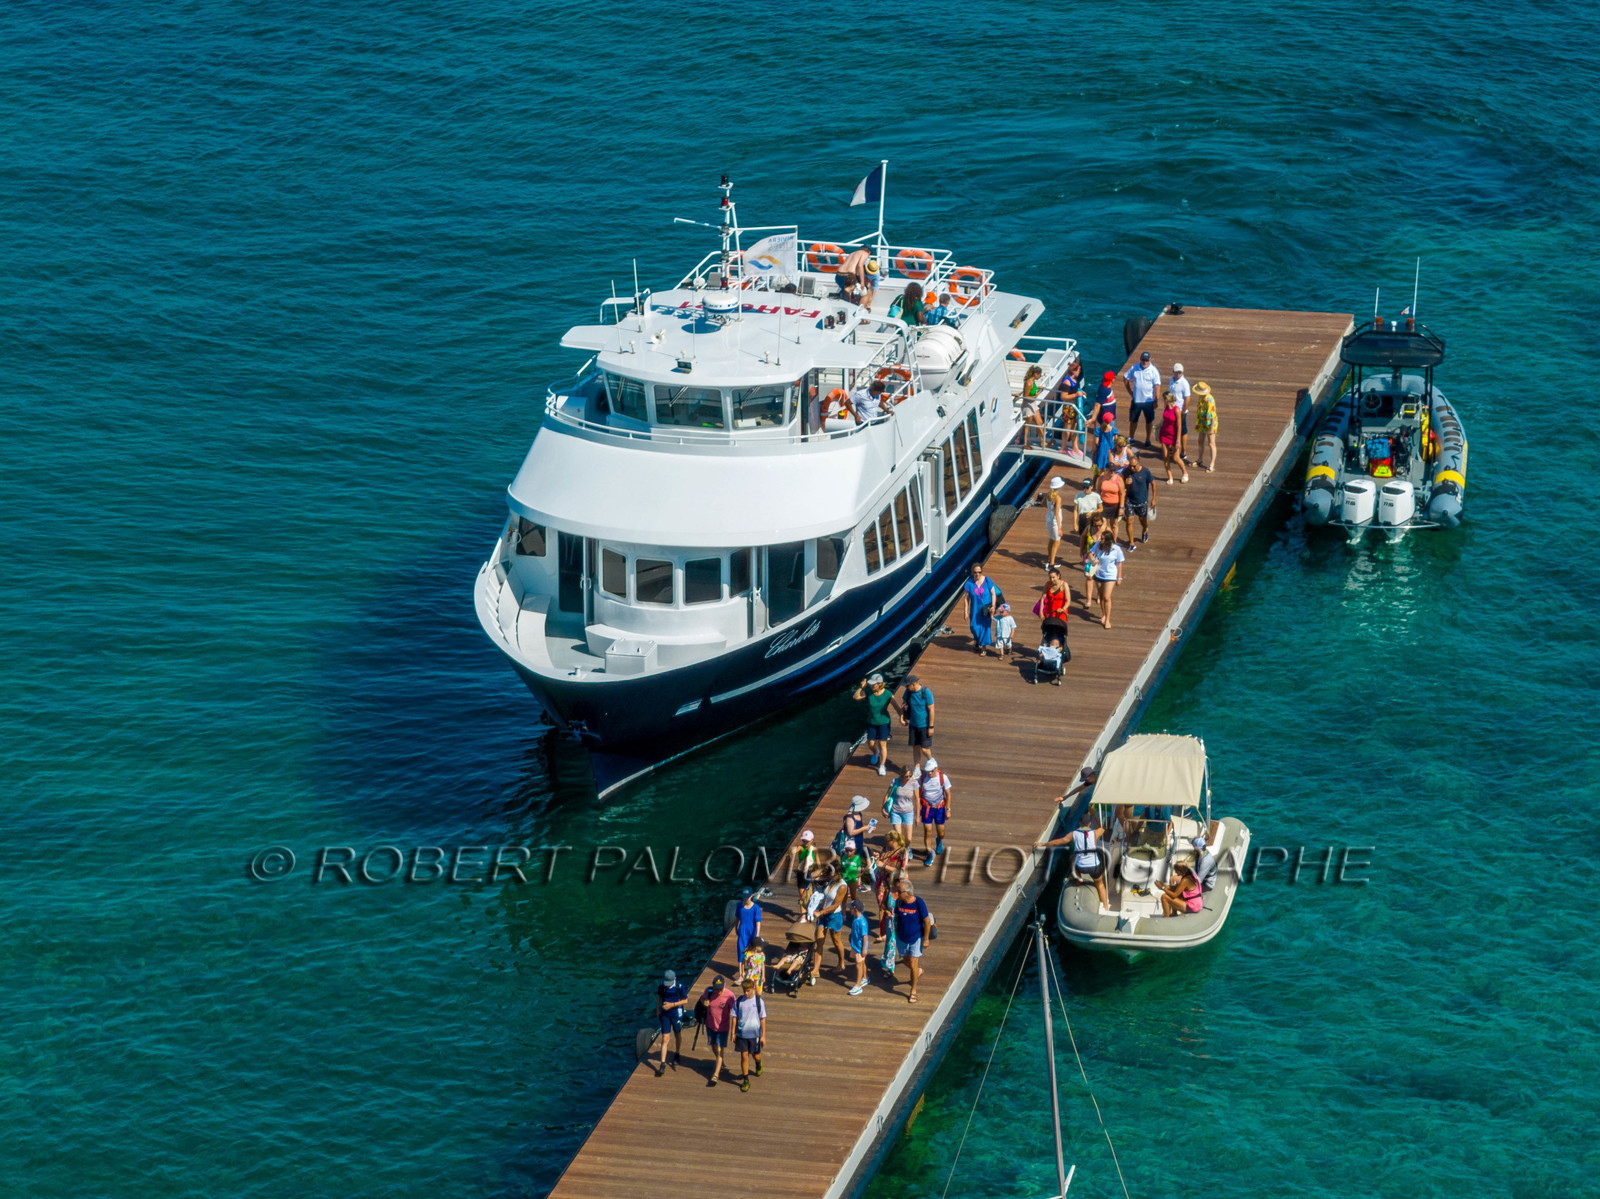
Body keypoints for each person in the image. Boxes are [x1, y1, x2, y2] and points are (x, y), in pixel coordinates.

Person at [1038, 810, 1108, 910]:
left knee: (1072, 858)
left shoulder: (1073, 834)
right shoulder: (1095, 833)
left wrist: (1043, 844)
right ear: (1090, 824)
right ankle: (1105, 907)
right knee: (1100, 884)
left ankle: (1078, 878)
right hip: (1094, 866)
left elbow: (1058, 842)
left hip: (1081, 866)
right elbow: (1102, 828)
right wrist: (1094, 815)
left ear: (1079, 823)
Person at [892, 880, 934, 1003]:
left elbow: (927, 921)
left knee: (913, 961)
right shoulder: (899, 902)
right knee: (906, 961)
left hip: (916, 938)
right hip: (902, 937)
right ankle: (917, 972)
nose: (897, 894)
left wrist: (926, 939)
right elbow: (896, 917)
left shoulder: (918, 903)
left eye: (900, 891)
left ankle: (913, 990)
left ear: (908, 892)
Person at [853, 673, 901, 776]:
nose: (871, 686)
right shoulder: (869, 693)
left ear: (879, 684)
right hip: (871, 722)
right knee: (870, 743)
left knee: (882, 744)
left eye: (873, 684)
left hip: (884, 723)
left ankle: (882, 765)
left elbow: (897, 707)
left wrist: (902, 717)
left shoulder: (888, 694)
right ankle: (875, 753)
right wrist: (862, 687)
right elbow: (856, 697)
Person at [809, 865, 849, 985]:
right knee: (819, 940)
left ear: (838, 873)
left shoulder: (842, 886)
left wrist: (821, 912)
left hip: (834, 916)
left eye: (832, 873)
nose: (830, 875)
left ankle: (841, 963)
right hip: (823, 915)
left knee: (836, 941)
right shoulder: (831, 881)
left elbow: (836, 905)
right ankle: (816, 969)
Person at [700, 976, 737, 1085]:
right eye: (717, 988)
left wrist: (734, 1031)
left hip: (723, 1027)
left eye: (721, 988)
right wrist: (704, 1001)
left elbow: (735, 1013)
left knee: (720, 1050)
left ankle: (715, 1075)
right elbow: (702, 998)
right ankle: (720, 1061)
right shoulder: (709, 991)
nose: (719, 991)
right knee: (714, 1047)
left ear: (724, 985)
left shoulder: (730, 996)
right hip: (710, 1025)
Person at [732, 978, 767, 1091]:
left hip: (754, 1034)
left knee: (755, 1055)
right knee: (744, 1056)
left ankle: (758, 1063)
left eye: (748, 990)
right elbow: (734, 1017)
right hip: (742, 1034)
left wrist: (763, 1036)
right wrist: (733, 1033)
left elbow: (762, 1019)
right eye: (744, 991)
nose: (746, 993)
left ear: (753, 989)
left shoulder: (758, 1002)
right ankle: (746, 1080)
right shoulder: (739, 1002)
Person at [961, 563, 1003, 657]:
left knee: (985, 628)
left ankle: (983, 647)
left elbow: (993, 594)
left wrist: (993, 606)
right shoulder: (969, 583)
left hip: (986, 609)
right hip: (975, 610)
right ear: (972, 573)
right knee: (974, 627)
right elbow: (966, 599)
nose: (977, 574)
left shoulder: (987, 580)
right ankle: (977, 640)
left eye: (979, 572)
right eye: (975, 572)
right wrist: (966, 612)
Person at [1123, 350, 1162, 447]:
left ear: (1150, 360)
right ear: (1140, 359)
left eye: (1146, 360)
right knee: (1133, 420)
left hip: (1148, 401)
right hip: (1136, 400)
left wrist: (1156, 400)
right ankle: (1131, 437)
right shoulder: (1135, 368)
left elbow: (1157, 385)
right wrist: (1130, 392)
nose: (1144, 362)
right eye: (1143, 360)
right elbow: (1125, 378)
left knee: (1149, 421)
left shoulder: (1153, 371)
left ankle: (1147, 439)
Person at [1088, 526, 1125, 630]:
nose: (1100, 540)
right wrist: (1092, 560)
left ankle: (1108, 619)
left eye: (1103, 538)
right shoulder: (1098, 545)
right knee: (1101, 595)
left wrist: (1119, 578)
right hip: (1099, 573)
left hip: (1110, 575)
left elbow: (1119, 563)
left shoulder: (1116, 549)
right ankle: (1103, 614)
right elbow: (1090, 552)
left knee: (1107, 597)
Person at [917, 758, 952, 864]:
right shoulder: (922, 779)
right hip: (927, 808)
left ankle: (939, 840)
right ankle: (929, 853)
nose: (929, 773)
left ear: (936, 768)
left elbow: (948, 794)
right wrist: (918, 812)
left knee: (941, 832)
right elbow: (918, 795)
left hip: (939, 808)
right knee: (927, 831)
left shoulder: (943, 778)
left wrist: (948, 809)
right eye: (928, 771)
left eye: (931, 771)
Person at [654, 970, 688, 1076]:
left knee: (677, 1033)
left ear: (674, 979)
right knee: (665, 1037)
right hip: (665, 1014)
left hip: (676, 1013)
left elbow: (685, 1001)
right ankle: (662, 1063)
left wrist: (672, 1005)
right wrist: (658, 1009)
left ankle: (677, 1053)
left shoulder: (679, 986)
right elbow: (659, 996)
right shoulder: (662, 985)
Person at [1121, 453, 1157, 547]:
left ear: (1138, 464)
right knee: (1129, 521)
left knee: (1143, 521)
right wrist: (1125, 484)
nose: (1132, 468)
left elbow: (1153, 484)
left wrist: (1154, 499)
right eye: (1130, 466)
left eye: (1133, 466)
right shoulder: (1126, 472)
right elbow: (1120, 485)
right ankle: (1131, 542)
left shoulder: (1145, 472)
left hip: (1142, 501)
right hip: (1129, 500)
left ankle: (1145, 529)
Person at [899, 674, 935, 767]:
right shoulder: (908, 692)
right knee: (915, 747)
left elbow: (931, 709)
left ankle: (931, 761)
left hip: (924, 725)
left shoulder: (926, 692)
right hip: (913, 725)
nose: (906, 687)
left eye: (907, 685)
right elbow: (903, 704)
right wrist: (902, 717)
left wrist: (931, 727)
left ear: (913, 684)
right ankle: (917, 767)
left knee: (924, 748)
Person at [1159, 391, 1189, 484]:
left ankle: (1185, 472)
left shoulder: (1176, 410)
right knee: (1165, 456)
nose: (1163, 401)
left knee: (1175, 458)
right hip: (1164, 434)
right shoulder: (1166, 407)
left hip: (1174, 435)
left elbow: (1179, 426)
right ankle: (1170, 477)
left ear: (1167, 399)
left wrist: (1178, 440)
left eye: (1164, 399)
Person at [1040, 476, 1067, 571]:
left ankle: (1049, 559)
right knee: (1057, 541)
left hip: (1049, 518)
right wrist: (1060, 528)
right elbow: (1057, 514)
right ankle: (1051, 563)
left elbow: (1042, 503)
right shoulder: (1058, 498)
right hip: (1055, 521)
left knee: (1051, 539)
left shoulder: (1048, 494)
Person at [1038, 565, 1071, 643]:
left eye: (1053, 577)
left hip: (1060, 612)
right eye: (1050, 577)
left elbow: (1068, 601)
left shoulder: (1064, 585)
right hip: (1050, 611)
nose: (1052, 579)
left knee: (1060, 631)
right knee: (1049, 631)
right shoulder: (1048, 584)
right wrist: (1041, 612)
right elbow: (1043, 598)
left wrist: (1063, 609)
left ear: (1058, 576)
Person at [1168, 362, 1193, 464]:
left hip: (1180, 411)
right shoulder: (1171, 380)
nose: (1178, 374)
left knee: (1182, 430)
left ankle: (1183, 452)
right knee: (1172, 429)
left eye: (1180, 372)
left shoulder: (1184, 383)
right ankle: (1173, 447)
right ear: (1173, 372)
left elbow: (1187, 398)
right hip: (1171, 409)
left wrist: (1183, 411)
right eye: (1176, 372)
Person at [1096, 460, 1126, 539]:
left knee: (1114, 524)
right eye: (1111, 470)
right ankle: (1104, 540)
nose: (1113, 472)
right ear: (1106, 470)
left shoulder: (1118, 479)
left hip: (1114, 505)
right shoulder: (1101, 478)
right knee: (1103, 523)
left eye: (1114, 470)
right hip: (1104, 504)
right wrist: (1097, 504)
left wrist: (1121, 507)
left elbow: (1122, 493)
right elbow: (1098, 490)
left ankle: (1114, 540)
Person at [885, 764, 919, 833]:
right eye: (906, 776)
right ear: (901, 775)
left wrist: (917, 816)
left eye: (910, 776)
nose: (908, 778)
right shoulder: (895, 781)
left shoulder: (914, 783)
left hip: (908, 812)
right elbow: (887, 795)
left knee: (908, 839)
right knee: (898, 838)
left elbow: (917, 799)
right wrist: (883, 808)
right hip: (895, 811)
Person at [1193, 381, 1219, 471]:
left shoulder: (1209, 400)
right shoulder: (1201, 397)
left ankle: (1212, 464)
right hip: (1202, 422)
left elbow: (1213, 416)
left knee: (1211, 443)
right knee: (1200, 441)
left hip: (1210, 423)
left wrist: (1211, 429)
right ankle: (1200, 459)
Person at [1018, 365, 1046, 448]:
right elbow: (1025, 396)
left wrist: (1038, 387)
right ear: (1036, 374)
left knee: (1039, 422)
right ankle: (1025, 443)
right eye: (1040, 375)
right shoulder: (1029, 382)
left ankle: (1043, 442)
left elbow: (1032, 388)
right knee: (1028, 425)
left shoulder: (1032, 381)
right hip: (1028, 405)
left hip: (1033, 404)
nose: (1040, 376)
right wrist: (1035, 396)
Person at [846, 901, 870, 995]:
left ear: (855, 909)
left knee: (858, 964)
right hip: (855, 944)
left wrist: (864, 949)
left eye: (851, 908)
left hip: (860, 947)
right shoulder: (855, 917)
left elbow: (865, 936)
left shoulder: (862, 922)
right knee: (861, 962)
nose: (849, 910)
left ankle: (858, 986)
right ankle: (865, 978)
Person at [733, 886, 762, 964]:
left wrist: (757, 935)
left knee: (752, 950)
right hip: (742, 930)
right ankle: (741, 971)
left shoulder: (756, 908)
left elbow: (758, 922)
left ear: (751, 895)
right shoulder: (739, 905)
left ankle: (751, 967)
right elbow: (737, 918)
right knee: (741, 949)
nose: (745, 898)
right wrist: (736, 928)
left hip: (752, 931)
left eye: (747, 896)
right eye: (744, 897)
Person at [795, 829, 818, 913]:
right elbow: (795, 850)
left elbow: (817, 861)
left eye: (807, 841)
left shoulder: (814, 849)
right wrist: (790, 853)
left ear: (811, 840)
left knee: (810, 893)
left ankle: (809, 910)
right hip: (801, 872)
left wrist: (819, 871)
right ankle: (803, 914)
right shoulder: (800, 847)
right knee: (802, 894)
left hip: (810, 872)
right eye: (803, 840)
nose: (805, 842)